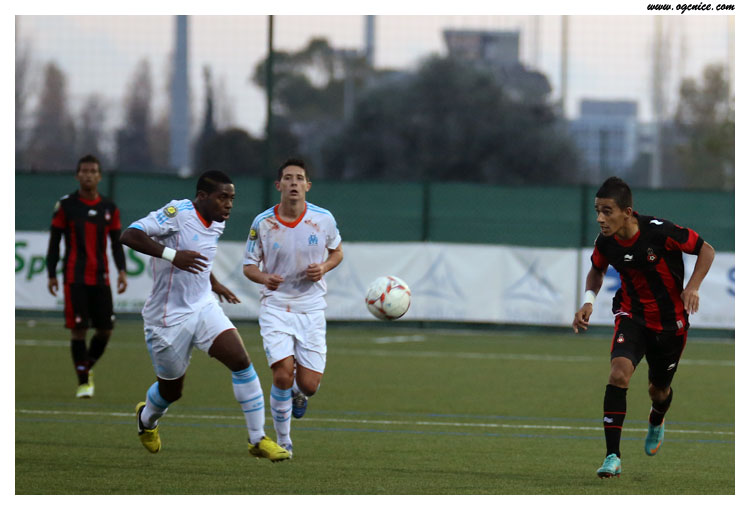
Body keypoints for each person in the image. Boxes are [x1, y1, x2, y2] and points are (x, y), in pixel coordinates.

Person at [120, 170, 289, 462]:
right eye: (222, 197)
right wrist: (173, 255)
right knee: (171, 391)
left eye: (232, 198)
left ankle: (257, 439)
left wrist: (214, 283)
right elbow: (129, 235)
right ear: (202, 196)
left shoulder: (216, 221)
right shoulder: (177, 213)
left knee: (241, 361)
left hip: (202, 306)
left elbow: (199, 255)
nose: (229, 204)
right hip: (166, 320)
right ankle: (146, 419)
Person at [572, 176, 715, 479]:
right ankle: (612, 456)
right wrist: (588, 301)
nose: (600, 219)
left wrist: (692, 286)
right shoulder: (605, 242)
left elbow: (706, 250)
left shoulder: (660, 232)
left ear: (627, 212)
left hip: (670, 324)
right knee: (618, 373)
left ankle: (657, 418)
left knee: (658, 391)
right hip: (632, 316)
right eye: (597, 211)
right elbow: (596, 270)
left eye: (607, 211)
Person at [243, 158, 343, 458]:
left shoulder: (323, 219)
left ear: (308, 186)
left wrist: (323, 267)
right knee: (282, 375)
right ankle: (284, 441)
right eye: (288, 178)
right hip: (275, 307)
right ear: (279, 185)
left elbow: (337, 252)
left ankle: (300, 394)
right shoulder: (263, 223)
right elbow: (249, 266)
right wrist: (264, 277)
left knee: (309, 385)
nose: (294, 183)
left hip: (311, 309)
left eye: (299, 178)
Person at [46, 154, 128, 398]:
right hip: (75, 277)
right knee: (78, 330)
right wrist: (51, 273)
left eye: (93, 171)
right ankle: (83, 383)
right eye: (84, 171)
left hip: (101, 277)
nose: (88, 175)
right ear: (77, 175)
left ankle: (85, 366)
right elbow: (54, 241)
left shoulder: (109, 208)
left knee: (105, 330)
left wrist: (122, 271)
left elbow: (116, 243)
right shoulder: (66, 206)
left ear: (99, 176)